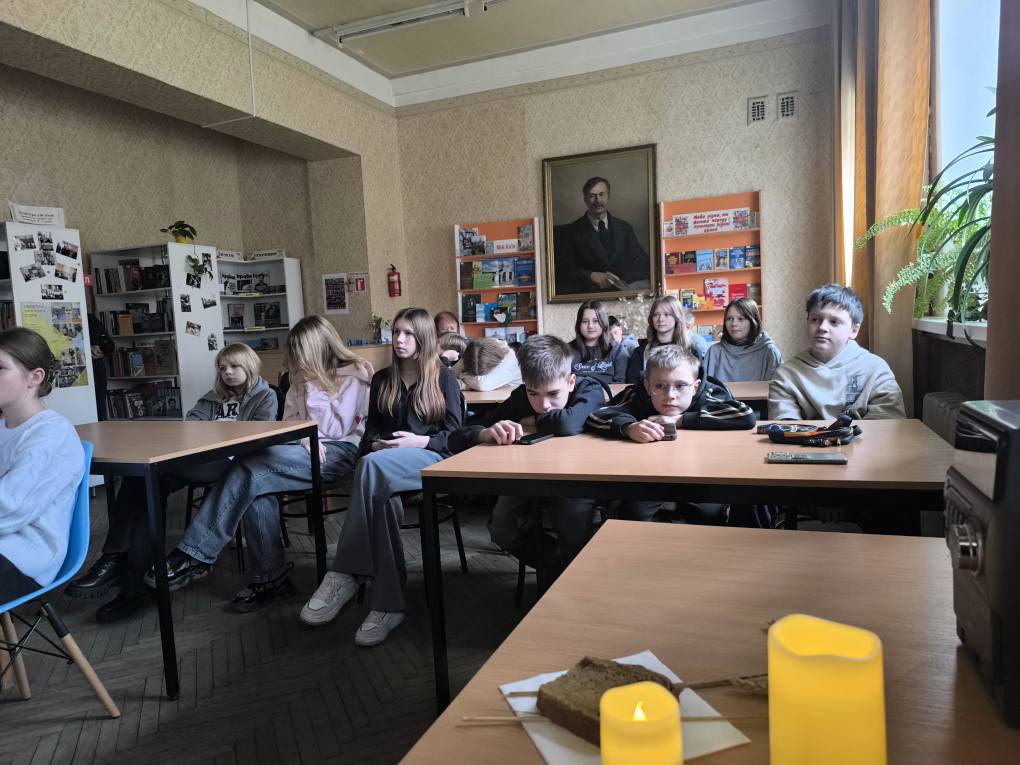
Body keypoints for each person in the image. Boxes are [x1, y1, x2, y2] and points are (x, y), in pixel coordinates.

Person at [144, 317, 374, 613]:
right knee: (255, 483)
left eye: (303, 353)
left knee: (251, 470)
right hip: (301, 447)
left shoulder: (355, 374)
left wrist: (312, 392)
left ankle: (195, 554)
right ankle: (271, 580)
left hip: (338, 452)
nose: (299, 361)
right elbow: (289, 422)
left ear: (320, 348)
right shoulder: (299, 376)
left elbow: (335, 427)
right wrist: (303, 435)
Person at [66, 344, 277, 619]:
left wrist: (214, 433)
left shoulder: (265, 396)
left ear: (249, 365)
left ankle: (122, 567)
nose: (227, 372)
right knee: (142, 481)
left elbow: (257, 437)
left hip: (231, 465)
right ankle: (129, 574)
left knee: (148, 479)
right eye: (222, 367)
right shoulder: (212, 397)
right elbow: (189, 427)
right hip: (195, 460)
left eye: (234, 366)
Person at [299, 308, 463, 646]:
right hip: (385, 466)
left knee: (371, 467)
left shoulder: (443, 378)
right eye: (396, 332)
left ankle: (345, 571)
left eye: (408, 333)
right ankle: (388, 606)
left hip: (430, 459)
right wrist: (375, 444)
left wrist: (419, 441)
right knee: (382, 498)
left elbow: (456, 437)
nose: (399, 339)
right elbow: (369, 432)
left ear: (423, 338)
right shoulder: (383, 379)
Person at [450, 336, 605, 570]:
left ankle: (576, 571)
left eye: (553, 394)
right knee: (502, 529)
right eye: (534, 394)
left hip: (578, 476)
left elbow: (567, 423)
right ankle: (559, 569)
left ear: (571, 382)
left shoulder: (589, 389)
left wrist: (534, 420)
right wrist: (484, 433)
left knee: (571, 527)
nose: (543, 405)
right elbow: (459, 436)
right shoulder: (522, 395)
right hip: (529, 474)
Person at [586, 344, 756, 524]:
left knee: (708, 514)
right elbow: (596, 415)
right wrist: (629, 428)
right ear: (647, 385)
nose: (670, 395)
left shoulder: (708, 393)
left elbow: (745, 415)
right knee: (633, 514)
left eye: (680, 386)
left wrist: (680, 420)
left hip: (701, 472)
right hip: (649, 475)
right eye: (659, 386)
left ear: (695, 387)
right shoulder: (637, 394)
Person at [0, 328, 85, 600]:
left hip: (24, 557)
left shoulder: (51, 433)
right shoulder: (2, 426)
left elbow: (10, 507)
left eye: (0, 368)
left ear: (35, 377)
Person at [769, 284, 905, 420]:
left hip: (865, 435)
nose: (822, 327)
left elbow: (887, 423)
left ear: (854, 331)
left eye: (834, 322)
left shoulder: (876, 369)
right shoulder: (787, 374)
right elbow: (785, 427)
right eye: (815, 320)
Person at [553, 176, 650, 294]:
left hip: (621, 295)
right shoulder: (571, 232)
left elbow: (642, 262)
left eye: (601, 195)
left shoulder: (624, 228)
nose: (597, 201)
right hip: (588, 295)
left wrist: (619, 279)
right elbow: (562, 270)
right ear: (585, 199)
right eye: (592, 196)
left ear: (608, 197)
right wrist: (590, 275)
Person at [703, 298, 781, 382]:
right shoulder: (714, 352)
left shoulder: (769, 351)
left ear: (753, 321)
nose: (734, 324)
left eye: (740, 319)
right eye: (729, 318)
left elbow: (778, 388)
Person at [624, 295, 691, 384]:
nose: (660, 319)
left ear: (677, 318)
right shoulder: (640, 351)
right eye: (656, 315)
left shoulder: (691, 350)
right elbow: (632, 383)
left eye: (666, 314)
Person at [570, 300, 630, 387]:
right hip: (578, 394)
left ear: (603, 323)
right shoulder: (566, 351)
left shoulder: (618, 351)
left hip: (609, 395)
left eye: (595, 321)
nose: (590, 326)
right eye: (585, 321)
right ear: (578, 324)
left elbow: (621, 385)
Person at [457, 336, 523, 391]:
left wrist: (462, 375)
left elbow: (481, 385)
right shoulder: (477, 350)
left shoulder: (510, 360)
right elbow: (453, 372)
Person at [87, 313, 115, 420]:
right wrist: (86, 349)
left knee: (99, 409)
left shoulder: (89, 318)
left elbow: (109, 345)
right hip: (87, 370)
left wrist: (103, 352)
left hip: (96, 369)